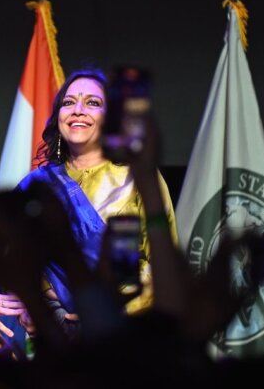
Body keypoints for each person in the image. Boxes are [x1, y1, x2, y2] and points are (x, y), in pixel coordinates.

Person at [16, 68, 177, 331]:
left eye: (93, 103)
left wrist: (111, 309)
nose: (78, 110)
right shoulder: (34, 186)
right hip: (57, 335)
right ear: (58, 115)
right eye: (68, 102)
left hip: (124, 331)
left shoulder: (138, 178)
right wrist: (44, 302)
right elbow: (17, 261)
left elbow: (163, 260)